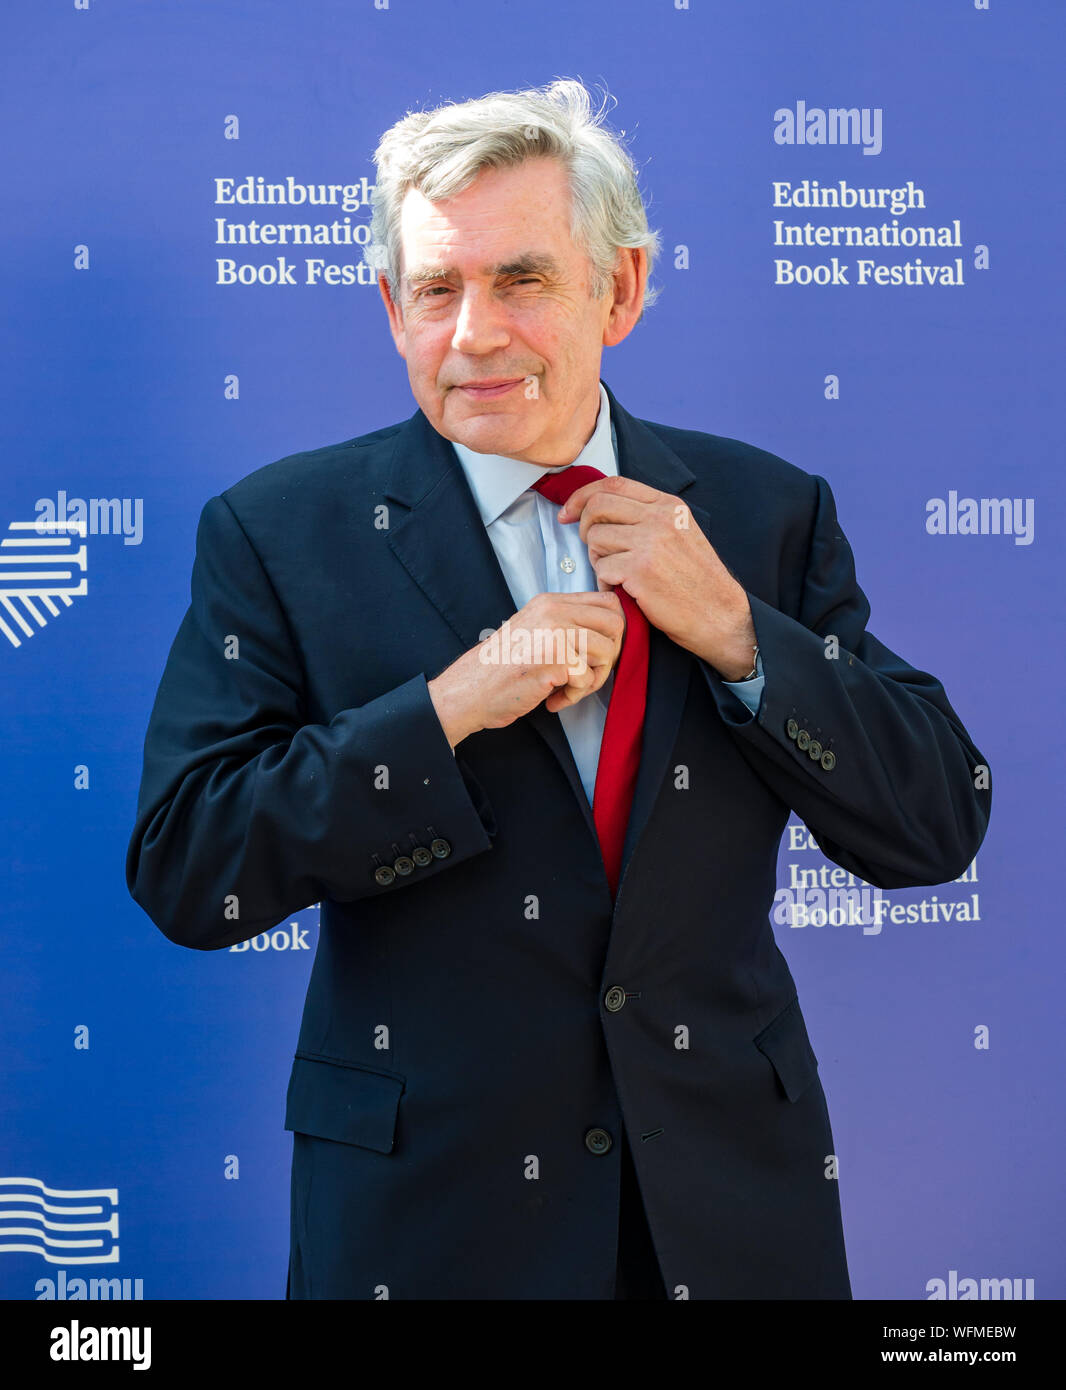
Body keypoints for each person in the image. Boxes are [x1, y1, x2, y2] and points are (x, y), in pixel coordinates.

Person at [126, 79, 991, 1300]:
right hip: (428, 1228)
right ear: (393, 309)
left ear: (620, 289)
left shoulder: (762, 515)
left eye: (521, 279)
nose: (473, 331)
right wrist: (450, 707)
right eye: (436, 289)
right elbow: (188, 861)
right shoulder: (279, 532)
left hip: (729, 1221)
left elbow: (936, 821)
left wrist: (741, 635)